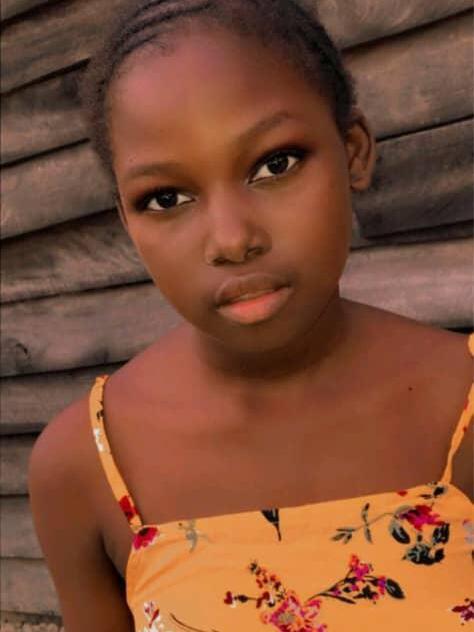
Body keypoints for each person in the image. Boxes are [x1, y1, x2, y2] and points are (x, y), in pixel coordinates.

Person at [28, 1, 473, 631]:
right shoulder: (83, 465)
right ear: (127, 220)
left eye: (274, 165)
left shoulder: (464, 405)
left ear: (353, 152)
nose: (232, 240)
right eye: (166, 197)